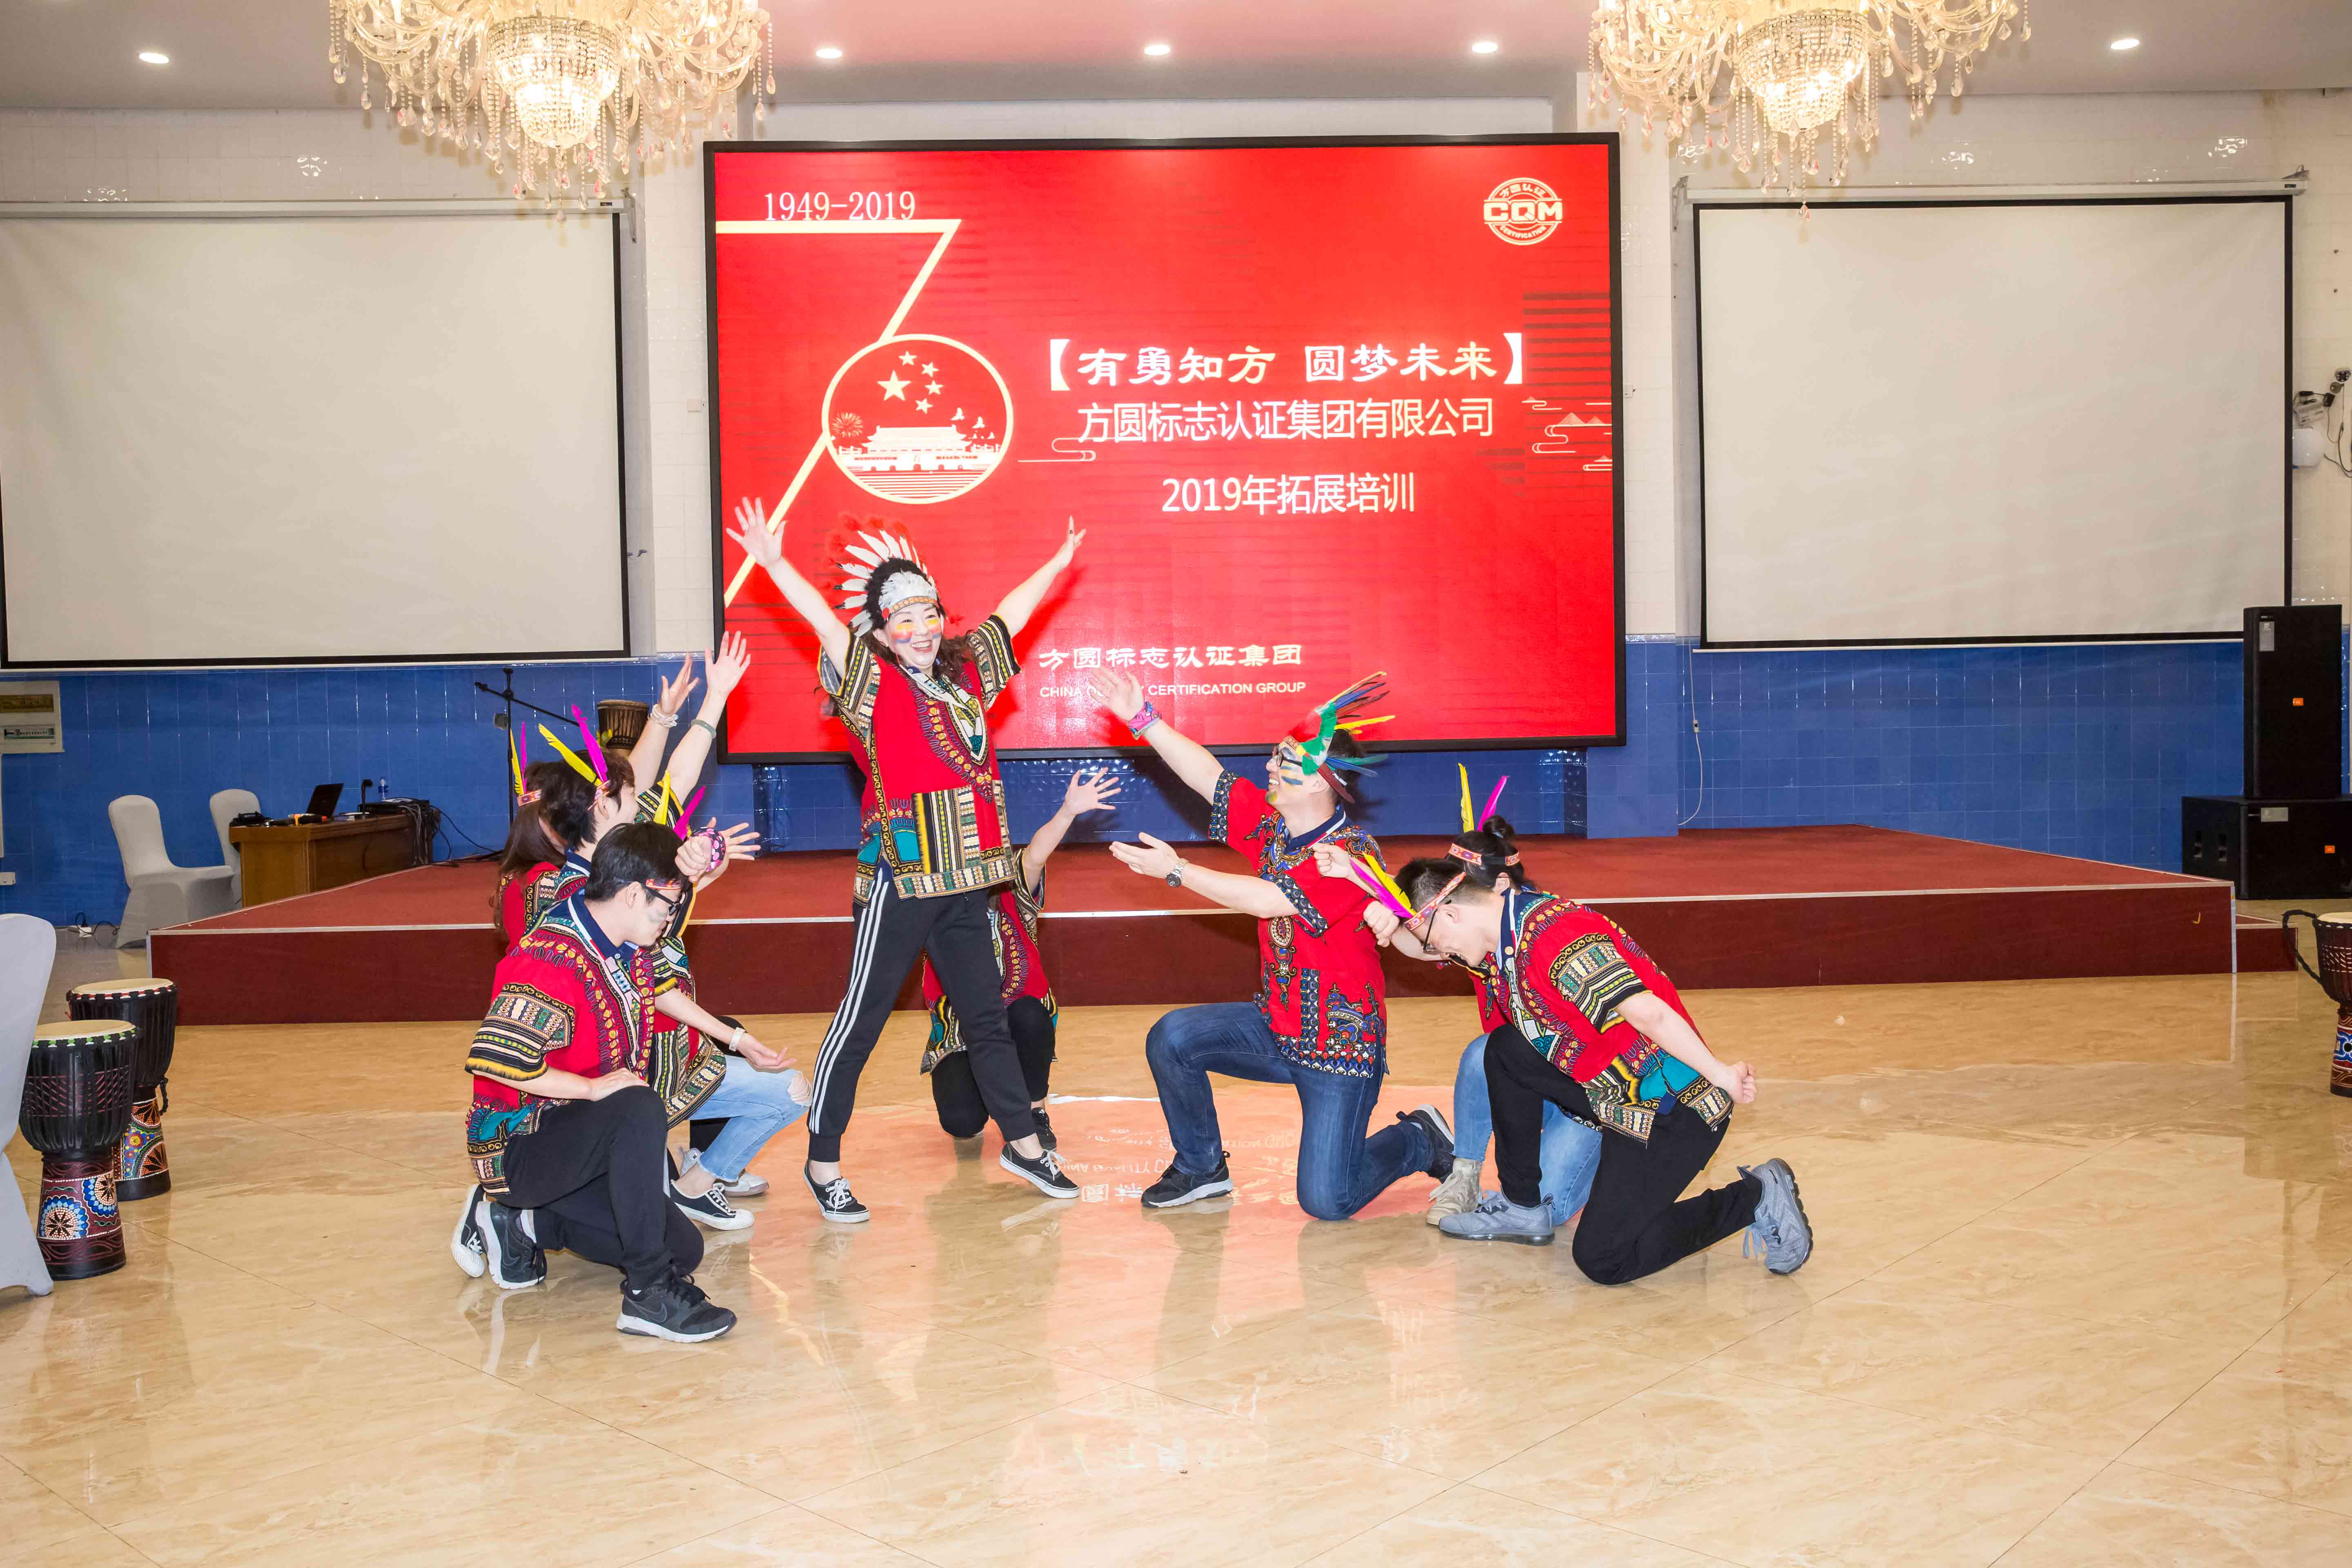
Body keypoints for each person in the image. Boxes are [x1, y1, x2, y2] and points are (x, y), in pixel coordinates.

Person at [727, 501, 1086, 1219]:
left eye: (929, 616)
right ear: (883, 632)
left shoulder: (967, 679)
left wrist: (1057, 561)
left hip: (969, 880)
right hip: (900, 878)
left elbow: (1011, 616)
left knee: (986, 1018)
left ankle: (1022, 1143)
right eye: (903, 621)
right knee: (860, 1022)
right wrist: (775, 565)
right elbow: (826, 626)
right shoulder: (874, 686)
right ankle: (823, 1162)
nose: (920, 631)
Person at [1084, 667, 1454, 1218]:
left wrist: (1178, 871)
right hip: (1275, 1028)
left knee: (1329, 1201)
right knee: (1173, 1038)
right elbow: (1210, 777)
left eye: (1283, 760)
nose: (1269, 767)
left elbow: (1267, 900)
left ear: (1319, 782)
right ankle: (1201, 1166)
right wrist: (1143, 719)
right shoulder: (1274, 829)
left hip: (1339, 1050)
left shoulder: (1350, 855)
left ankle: (1419, 1139)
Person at [1383, 849, 1814, 1281]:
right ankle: (1522, 1207)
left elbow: (1651, 1014)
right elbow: (1413, 943)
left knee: (1603, 1258)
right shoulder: (1502, 938)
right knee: (1505, 1049)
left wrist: (1720, 1074)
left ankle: (1755, 1196)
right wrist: (1380, 910)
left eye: (1435, 943)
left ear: (1452, 915)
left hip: (1671, 1107)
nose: (1437, 953)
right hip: (1613, 1092)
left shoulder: (1554, 937)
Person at [457, 825, 740, 1341]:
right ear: (632, 895)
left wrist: (701, 859)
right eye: (665, 908)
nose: (670, 920)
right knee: (637, 1104)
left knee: (684, 1250)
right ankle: (648, 1295)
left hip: (582, 1141)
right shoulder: (549, 957)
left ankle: (524, 1223)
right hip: (520, 1148)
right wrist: (590, 1090)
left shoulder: (625, 942)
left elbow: (665, 941)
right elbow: (495, 1061)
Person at [1396, 815, 1602, 1229]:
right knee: (1486, 1052)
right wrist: (1387, 913)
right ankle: (1465, 1173)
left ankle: (1609, 1152)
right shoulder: (1475, 935)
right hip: (1525, 1082)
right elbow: (1423, 945)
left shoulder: (1548, 934)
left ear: (1500, 888)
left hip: (1589, 1090)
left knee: (1550, 1211)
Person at [920, 768, 1118, 1148]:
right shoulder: (933, 897)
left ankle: (1034, 1110)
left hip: (1017, 1013)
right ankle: (990, 1086)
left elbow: (1036, 854)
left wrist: (1068, 811)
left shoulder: (1012, 890)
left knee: (1028, 1014)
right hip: (962, 1031)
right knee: (962, 1124)